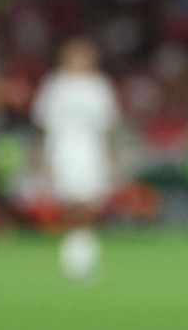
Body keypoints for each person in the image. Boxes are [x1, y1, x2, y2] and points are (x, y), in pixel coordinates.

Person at [30, 36, 120, 281]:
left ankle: (86, 249)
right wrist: (42, 156)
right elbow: (44, 125)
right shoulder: (55, 86)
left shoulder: (99, 86)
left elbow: (107, 125)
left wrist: (111, 155)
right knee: (69, 202)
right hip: (63, 148)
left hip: (91, 149)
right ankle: (73, 249)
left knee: (91, 201)